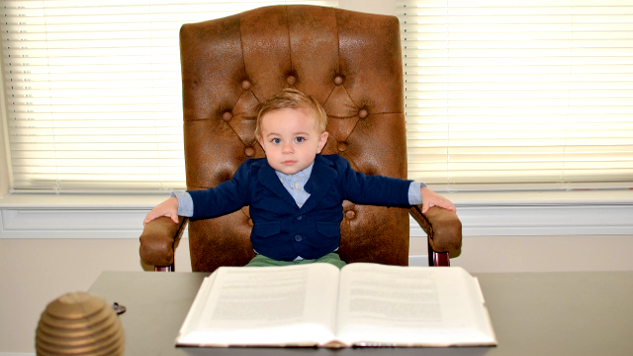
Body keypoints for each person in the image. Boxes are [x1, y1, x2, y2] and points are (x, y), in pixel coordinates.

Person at [143, 88, 455, 268]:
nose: (288, 149)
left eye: (300, 139)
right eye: (277, 140)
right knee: (243, 302)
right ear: (263, 143)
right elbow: (216, 198)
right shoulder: (252, 175)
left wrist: (419, 193)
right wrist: (178, 202)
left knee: (342, 302)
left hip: (325, 262)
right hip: (267, 263)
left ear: (320, 142)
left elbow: (375, 187)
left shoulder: (336, 171)